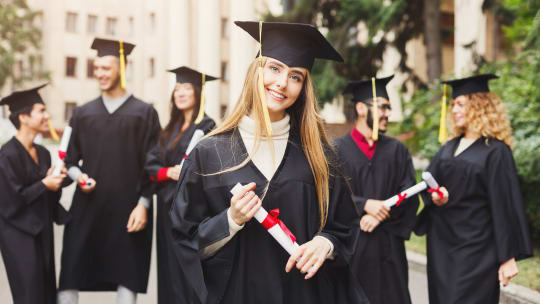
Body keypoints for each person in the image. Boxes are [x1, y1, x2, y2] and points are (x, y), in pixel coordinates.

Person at [169, 21, 368, 304]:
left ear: (303, 87)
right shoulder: (209, 153)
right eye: (274, 68)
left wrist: (326, 243)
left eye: (296, 76)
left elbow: (344, 225)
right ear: (256, 70)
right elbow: (185, 240)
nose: (282, 83)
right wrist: (231, 219)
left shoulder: (320, 156)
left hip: (304, 294)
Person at [57, 38, 161, 304]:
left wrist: (144, 204)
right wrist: (77, 176)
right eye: (97, 67)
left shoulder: (144, 113)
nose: (100, 73)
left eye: (106, 67)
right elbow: (68, 160)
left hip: (128, 209)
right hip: (87, 208)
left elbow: (153, 164)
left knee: (127, 274)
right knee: (71, 270)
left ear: (122, 68)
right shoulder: (82, 113)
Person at [415, 74, 533, 303]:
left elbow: (504, 204)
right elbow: (427, 183)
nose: (454, 110)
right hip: (442, 247)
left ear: (479, 106)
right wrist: (435, 195)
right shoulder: (449, 147)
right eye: (452, 105)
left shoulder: (496, 151)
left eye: (460, 104)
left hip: (477, 250)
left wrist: (507, 257)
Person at [334, 75, 419, 304]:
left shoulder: (397, 151)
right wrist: (364, 205)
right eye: (382, 107)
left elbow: (409, 193)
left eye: (389, 108)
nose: (387, 114)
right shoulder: (336, 151)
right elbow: (328, 197)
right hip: (354, 250)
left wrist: (382, 213)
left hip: (389, 251)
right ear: (361, 108)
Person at [144, 66, 217, 303]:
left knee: (186, 267)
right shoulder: (169, 129)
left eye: (186, 88)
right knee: (167, 266)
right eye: (177, 89)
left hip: (190, 210)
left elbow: (210, 166)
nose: (180, 93)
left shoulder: (208, 127)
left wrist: (186, 173)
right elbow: (151, 164)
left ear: (198, 92)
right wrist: (169, 172)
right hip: (166, 209)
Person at [0, 84, 70, 304]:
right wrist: (44, 184)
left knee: (48, 294)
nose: (47, 116)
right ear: (23, 117)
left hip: (42, 233)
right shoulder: (7, 155)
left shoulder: (42, 153)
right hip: (18, 238)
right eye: (41, 110)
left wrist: (58, 180)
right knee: (29, 296)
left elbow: (49, 198)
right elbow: (9, 202)